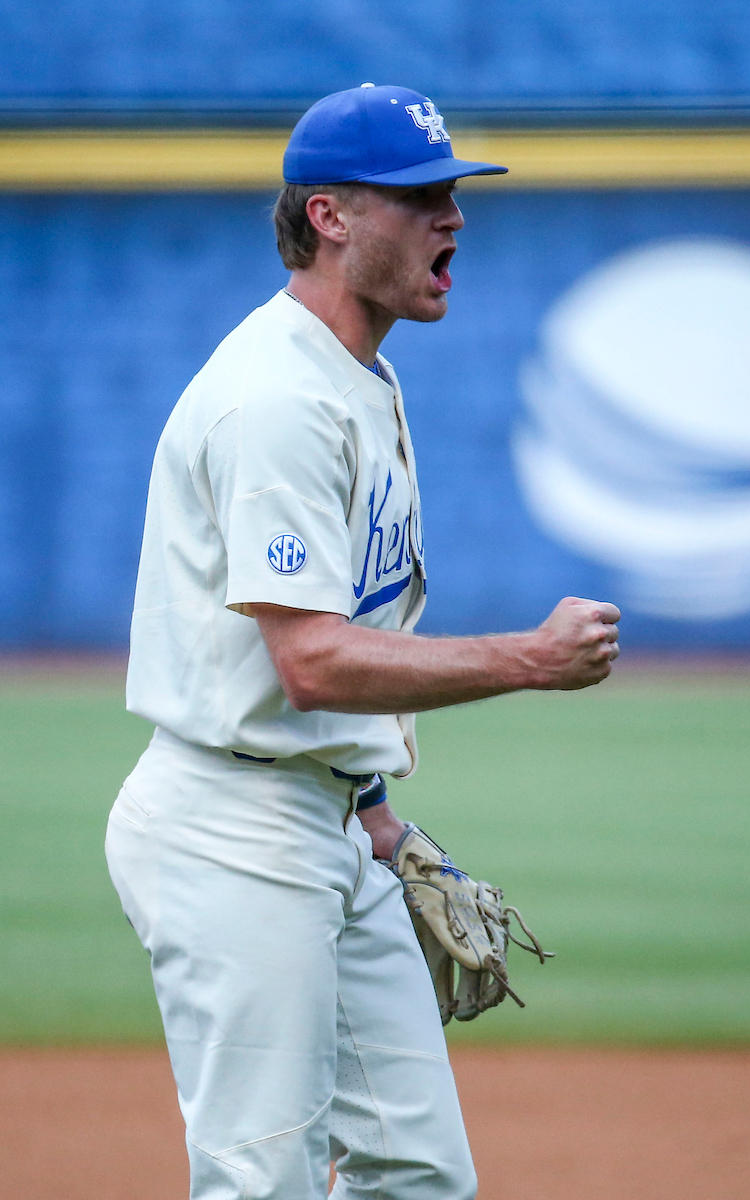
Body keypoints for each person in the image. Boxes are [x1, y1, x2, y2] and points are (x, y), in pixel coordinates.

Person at [106, 83, 620, 1200]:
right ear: (330, 215)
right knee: (262, 1180)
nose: (453, 219)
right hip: (230, 832)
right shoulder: (276, 397)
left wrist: (373, 809)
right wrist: (529, 660)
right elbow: (313, 659)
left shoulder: (359, 376)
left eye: (451, 196)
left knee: (416, 1173)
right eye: (420, 197)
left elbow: (341, 643)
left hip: (328, 821)